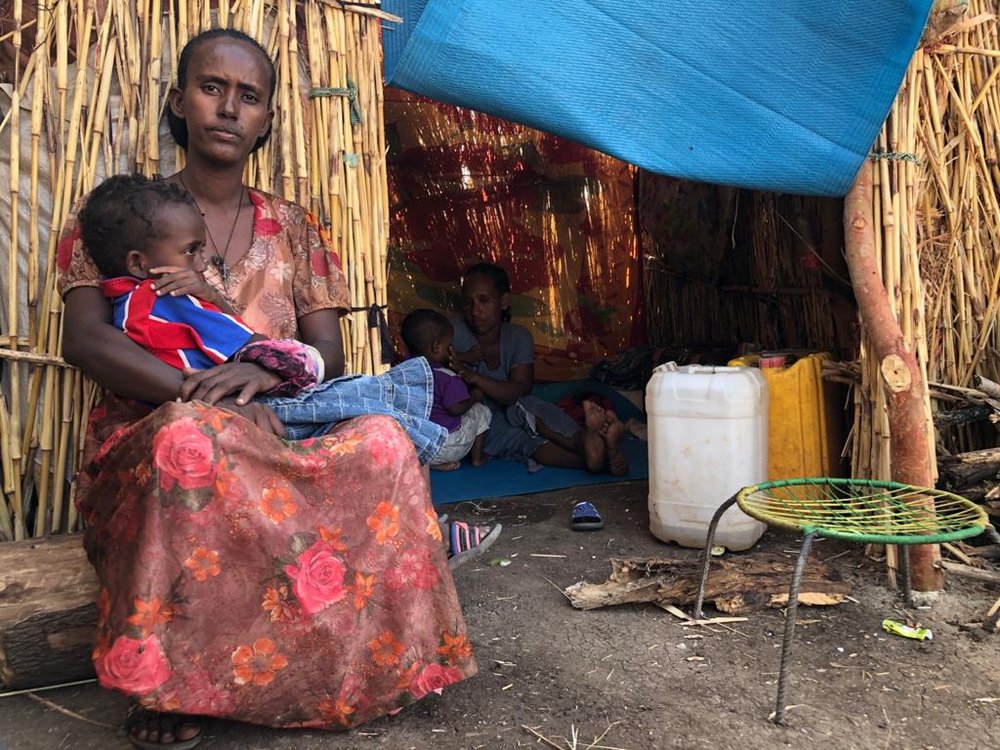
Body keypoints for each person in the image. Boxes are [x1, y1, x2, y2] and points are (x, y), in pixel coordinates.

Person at [58, 28, 476, 749]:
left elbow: (327, 352)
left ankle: (375, 668)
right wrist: (196, 391)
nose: (228, 108)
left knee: (380, 439)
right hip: (162, 431)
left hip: (283, 423)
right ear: (178, 100)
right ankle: (171, 686)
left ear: (268, 120)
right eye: (211, 87)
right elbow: (87, 338)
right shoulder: (121, 217)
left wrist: (260, 374)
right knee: (195, 438)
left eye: (249, 97)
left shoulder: (296, 228)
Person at [78, 173, 447, 465]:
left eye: (249, 96)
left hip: (231, 402)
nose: (202, 262)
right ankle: (431, 442)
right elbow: (249, 343)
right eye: (192, 251)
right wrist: (275, 366)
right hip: (251, 405)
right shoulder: (167, 299)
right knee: (365, 399)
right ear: (138, 263)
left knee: (360, 409)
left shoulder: (129, 307)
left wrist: (213, 300)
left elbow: (326, 352)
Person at [450, 262, 628, 476]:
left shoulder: (517, 336)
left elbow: (519, 391)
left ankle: (585, 440)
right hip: (479, 420)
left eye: (484, 301)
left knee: (534, 410)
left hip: (517, 403)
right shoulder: (453, 332)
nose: (475, 311)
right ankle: (599, 457)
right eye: (468, 303)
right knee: (521, 441)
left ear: (504, 301)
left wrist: (473, 377)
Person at [400, 308, 491, 470]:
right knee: (480, 411)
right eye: (449, 345)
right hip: (448, 446)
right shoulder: (447, 377)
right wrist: (474, 397)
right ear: (436, 348)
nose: (452, 350)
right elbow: (456, 409)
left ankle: (431, 464)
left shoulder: (402, 371)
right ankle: (477, 458)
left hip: (416, 446)